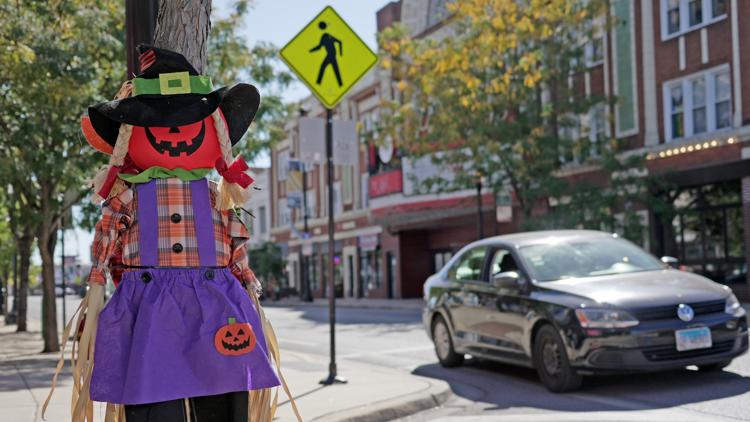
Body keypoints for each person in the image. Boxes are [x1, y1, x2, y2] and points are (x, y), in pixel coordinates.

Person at [44, 45, 300, 422]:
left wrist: (250, 291)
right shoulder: (128, 198)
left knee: (223, 397)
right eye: (159, 122)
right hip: (149, 310)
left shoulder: (217, 197)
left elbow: (236, 252)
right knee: (151, 399)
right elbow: (104, 249)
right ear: (131, 135)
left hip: (215, 307)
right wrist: (95, 296)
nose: (176, 131)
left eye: (188, 119)